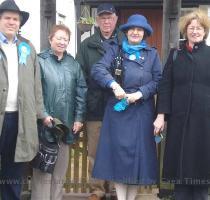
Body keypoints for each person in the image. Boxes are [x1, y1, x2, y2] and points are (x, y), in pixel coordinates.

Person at [91, 14, 162, 200]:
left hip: (142, 111)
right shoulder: (115, 50)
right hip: (118, 111)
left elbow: (158, 80)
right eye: (132, 29)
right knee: (120, 160)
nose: (135, 32)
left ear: (144, 33)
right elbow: (98, 69)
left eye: (139, 30)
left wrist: (140, 93)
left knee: (137, 160)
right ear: (127, 32)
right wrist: (114, 85)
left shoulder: (152, 54)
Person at [154, 9, 210, 200]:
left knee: (202, 180)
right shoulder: (175, 55)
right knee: (180, 178)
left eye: (199, 28)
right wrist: (161, 115)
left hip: (204, 123)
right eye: (191, 28)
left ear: (205, 31)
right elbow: (165, 86)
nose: (195, 31)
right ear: (185, 31)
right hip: (179, 122)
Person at [31, 24, 87, 200]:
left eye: (66, 39)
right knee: (43, 172)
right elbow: (34, 91)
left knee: (59, 174)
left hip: (66, 126)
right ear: (50, 39)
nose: (62, 42)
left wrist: (78, 119)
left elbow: (81, 92)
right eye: (59, 38)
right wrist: (43, 115)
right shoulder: (40, 61)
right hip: (44, 126)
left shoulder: (73, 64)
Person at [76, 3, 123, 200]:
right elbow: (80, 76)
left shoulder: (124, 42)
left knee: (116, 149)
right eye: (102, 18)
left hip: (119, 107)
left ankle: (114, 189)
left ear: (116, 19)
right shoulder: (87, 45)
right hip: (95, 107)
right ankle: (97, 190)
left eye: (109, 17)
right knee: (94, 152)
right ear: (97, 21)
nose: (106, 21)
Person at [0, 0, 47, 199]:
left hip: (20, 119)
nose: (11, 22)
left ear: (20, 24)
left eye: (15, 19)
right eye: (7, 18)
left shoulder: (28, 48)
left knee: (14, 168)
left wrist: (41, 113)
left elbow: (36, 85)